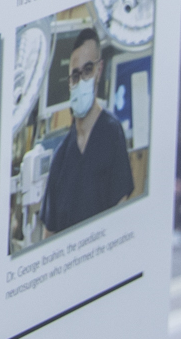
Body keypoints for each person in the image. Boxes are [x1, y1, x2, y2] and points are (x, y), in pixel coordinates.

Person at [41, 27, 138, 235]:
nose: (81, 81)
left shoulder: (111, 133)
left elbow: (120, 209)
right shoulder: (61, 157)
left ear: (99, 70)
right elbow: (49, 233)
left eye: (87, 71)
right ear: (69, 83)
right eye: (75, 75)